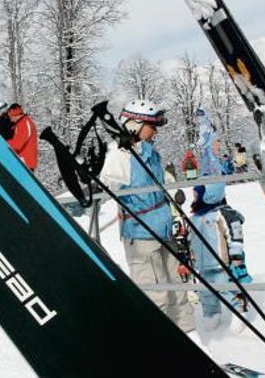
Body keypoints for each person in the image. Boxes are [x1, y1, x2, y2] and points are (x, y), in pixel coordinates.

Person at [99, 99, 193, 333]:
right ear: (134, 125)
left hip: (164, 230)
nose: (156, 131)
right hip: (141, 235)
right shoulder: (119, 156)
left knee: (178, 292)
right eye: (152, 125)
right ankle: (159, 347)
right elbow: (103, 186)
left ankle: (190, 340)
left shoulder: (151, 153)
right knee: (155, 295)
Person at [188, 183, 252, 330]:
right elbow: (192, 240)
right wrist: (192, 257)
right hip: (203, 265)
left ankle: (239, 312)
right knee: (206, 292)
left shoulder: (223, 214)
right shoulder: (196, 216)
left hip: (221, 263)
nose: (195, 197)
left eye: (197, 194)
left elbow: (234, 234)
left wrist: (236, 255)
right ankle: (212, 314)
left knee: (227, 289)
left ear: (210, 195)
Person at [5, 102, 38, 170]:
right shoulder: (23, 123)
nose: (11, 120)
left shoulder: (24, 123)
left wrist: (5, 144)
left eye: (11, 117)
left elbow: (18, 142)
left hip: (25, 161)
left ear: (15, 115)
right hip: (25, 160)